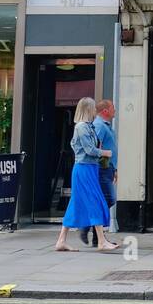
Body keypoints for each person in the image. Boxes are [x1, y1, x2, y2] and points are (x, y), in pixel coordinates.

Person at [54, 97, 117, 253]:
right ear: (87, 109)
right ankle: (101, 241)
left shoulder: (88, 126)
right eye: (92, 108)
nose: (95, 110)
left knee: (75, 204)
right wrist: (106, 153)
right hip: (84, 169)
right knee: (96, 201)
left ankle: (61, 241)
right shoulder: (81, 127)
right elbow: (90, 150)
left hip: (89, 168)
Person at [79, 99, 118, 247]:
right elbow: (95, 147)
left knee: (105, 200)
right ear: (105, 111)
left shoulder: (106, 125)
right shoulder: (99, 126)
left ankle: (97, 237)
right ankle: (87, 226)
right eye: (112, 108)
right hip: (102, 169)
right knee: (108, 199)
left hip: (108, 168)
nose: (115, 110)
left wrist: (114, 168)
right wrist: (105, 166)